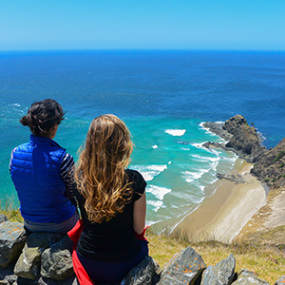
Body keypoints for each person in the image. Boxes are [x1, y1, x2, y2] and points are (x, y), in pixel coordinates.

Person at [74, 114, 148, 283]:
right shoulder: (134, 180)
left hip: (88, 259)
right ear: (122, 145)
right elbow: (138, 229)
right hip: (124, 260)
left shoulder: (78, 180)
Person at [10, 99, 78, 233]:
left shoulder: (15, 153)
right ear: (54, 126)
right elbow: (72, 192)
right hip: (61, 222)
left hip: (30, 222)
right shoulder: (64, 158)